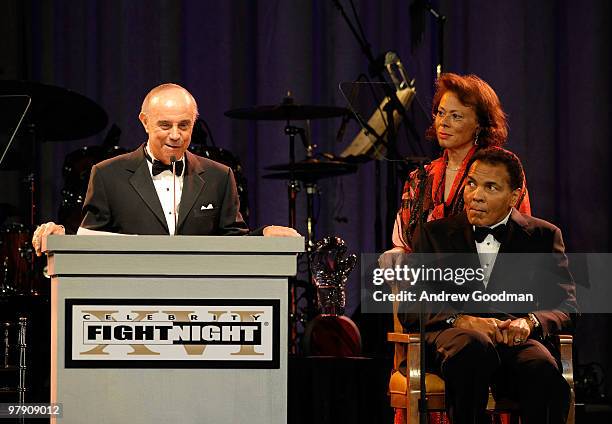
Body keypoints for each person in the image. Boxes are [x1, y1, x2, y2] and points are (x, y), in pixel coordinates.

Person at [400, 147, 577, 423]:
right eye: (471, 183)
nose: (475, 196)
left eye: (490, 187)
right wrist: (462, 320)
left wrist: (529, 322)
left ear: (514, 197)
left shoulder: (543, 236)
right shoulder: (433, 235)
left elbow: (566, 306)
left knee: (542, 368)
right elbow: (411, 307)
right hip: (454, 340)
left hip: (514, 340)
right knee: (473, 347)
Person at [32, 83, 298, 254]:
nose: (175, 135)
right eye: (165, 125)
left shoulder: (219, 176)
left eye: (184, 126)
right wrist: (62, 239)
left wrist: (263, 236)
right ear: (145, 122)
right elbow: (91, 245)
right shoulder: (107, 174)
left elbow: (233, 244)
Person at [390, 73, 531, 255]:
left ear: (479, 124)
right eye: (441, 113)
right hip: (425, 279)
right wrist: (398, 251)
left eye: (456, 116)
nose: (443, 123)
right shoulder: (420, 177)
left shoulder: (500, 169)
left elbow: (521, 235)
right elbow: (405, 242)